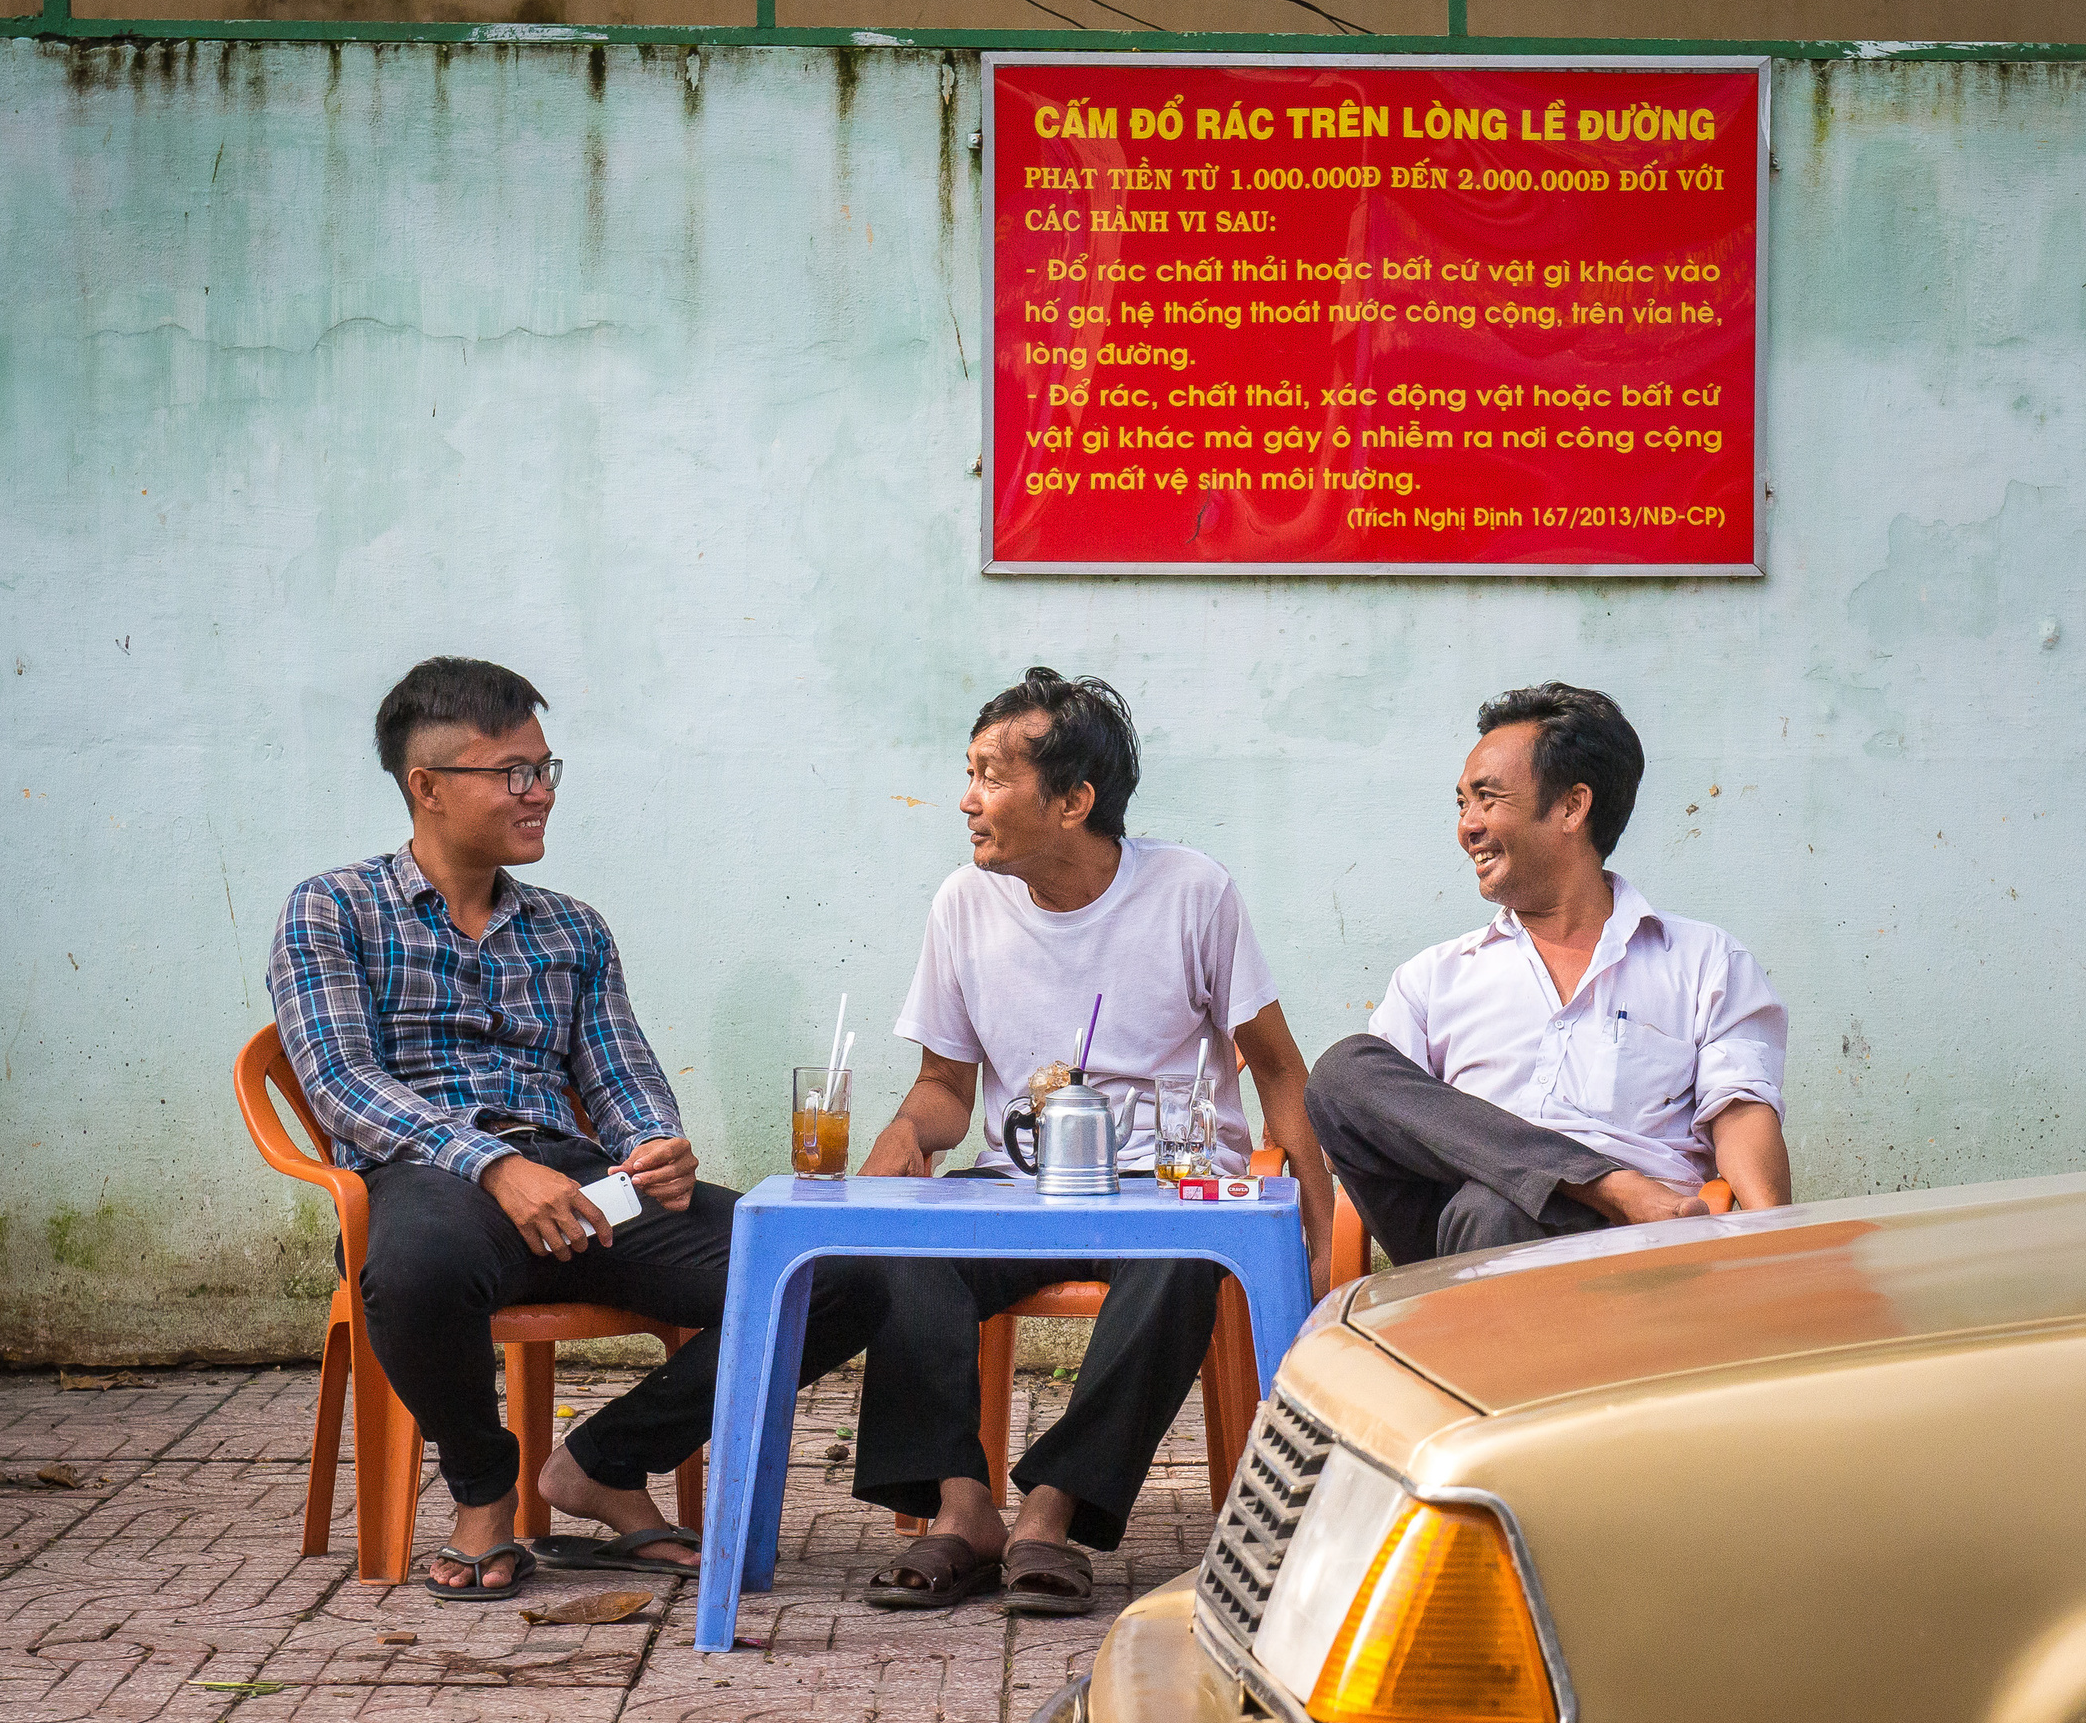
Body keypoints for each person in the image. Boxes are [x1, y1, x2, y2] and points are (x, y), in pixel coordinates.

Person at [268, 656, 884, 1599]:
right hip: (432, 1178)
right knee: (414, 1272)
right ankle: (484, 1492)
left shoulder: (572, 930)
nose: (540, 793)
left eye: (547, 769)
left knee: (833, 1272)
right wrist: (491, 1166)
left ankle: (599, 1464)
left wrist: (653, 1144)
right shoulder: (332, 909)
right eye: (514, 773)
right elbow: (344, 1082)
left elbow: (621, 1068)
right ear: (427, 787)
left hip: (591, 1188)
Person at [851, 668, 1336, 1616]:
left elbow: (1276, 1065)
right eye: (969, 772)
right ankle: (963, 1510)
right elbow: (947, 1089)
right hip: (1014, 1185)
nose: (967, 799)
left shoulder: (1191, 892)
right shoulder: (964, 902)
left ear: (1073, 801)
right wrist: (906, 1138)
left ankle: (1051, 1512)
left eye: (993, 776)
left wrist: (1315, 1220)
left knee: (1178, 1262)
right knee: (912, 1248)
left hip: (1160, 1187)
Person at [1307, 682, 1790, 1266]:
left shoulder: (1704, 962)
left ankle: (1591, 1198)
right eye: (1462, 804)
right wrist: (1565, 1174)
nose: (1467, 827)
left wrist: (1776, 1255)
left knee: (1496, 1208)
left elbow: (1740, 1113)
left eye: (1487, 798)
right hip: (1460, 1240)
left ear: (1571, 806)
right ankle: (1606, 1183)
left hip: (1639, 1257)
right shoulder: (1434, 978)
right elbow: (1361, 1128)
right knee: (1343, 1074)